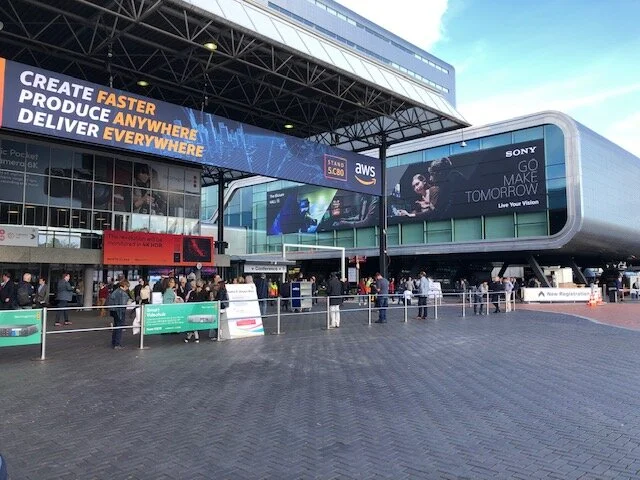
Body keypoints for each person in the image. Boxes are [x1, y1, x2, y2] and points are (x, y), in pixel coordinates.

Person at [107, 280, 131, 350]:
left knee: (116, 326)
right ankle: (117, 344)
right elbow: (123, 304)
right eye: (127, 287)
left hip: (114, 311)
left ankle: (114, 342)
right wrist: (128, 302)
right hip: (120, 312)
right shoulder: (122, 293)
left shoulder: (115, 291)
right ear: (124, 286)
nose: (127, 288)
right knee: (119, 327)